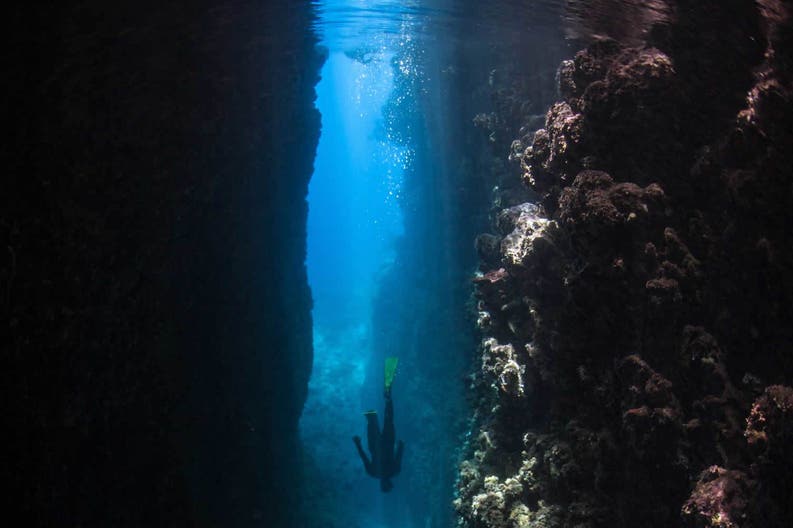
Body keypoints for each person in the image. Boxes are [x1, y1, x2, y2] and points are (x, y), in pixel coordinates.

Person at [353, 360, 404, 492]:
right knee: (374, 417)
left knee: (385, 418)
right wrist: (358, 444)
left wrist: (401, 446)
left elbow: (399, 453)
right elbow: (363, 456)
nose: (384, 483)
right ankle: (382, 393)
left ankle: (385, 392)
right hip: (377, 444)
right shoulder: (374, 473)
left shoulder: (393, 471)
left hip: (384, 443)